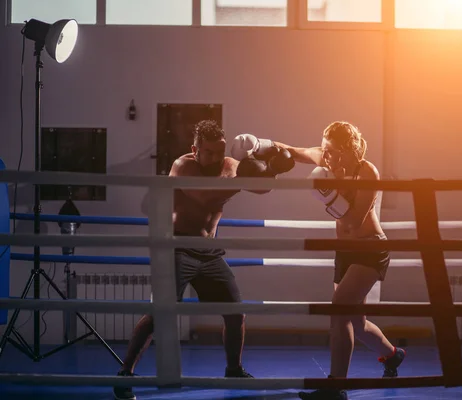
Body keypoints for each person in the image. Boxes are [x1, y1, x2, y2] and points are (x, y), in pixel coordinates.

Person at [113, 120, 294, 400]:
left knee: (236, 313)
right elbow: (204, 195)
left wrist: (272, 169)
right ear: (194, 149)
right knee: (159, 313)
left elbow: (263, 189)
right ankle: (125, 374)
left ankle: (233, 370)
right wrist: (245, 175)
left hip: (209, 253)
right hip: (178, 248)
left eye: (219, 152)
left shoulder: (230, 165)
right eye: (208, 152)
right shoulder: (182, 166)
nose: (214, 158)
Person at [231, 122, 406, 400]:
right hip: (345, 252)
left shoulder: (366, 172)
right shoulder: (325, 158)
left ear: (349, 150)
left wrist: (330, 194)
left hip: (370, 248)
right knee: (356, 322)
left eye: (334, 151)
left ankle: (336, 387)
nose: (328, 157)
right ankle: (393, 356)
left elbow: (353, 221)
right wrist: (259, 144)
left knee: (338, 313)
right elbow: (293, 151)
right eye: (325, 150)